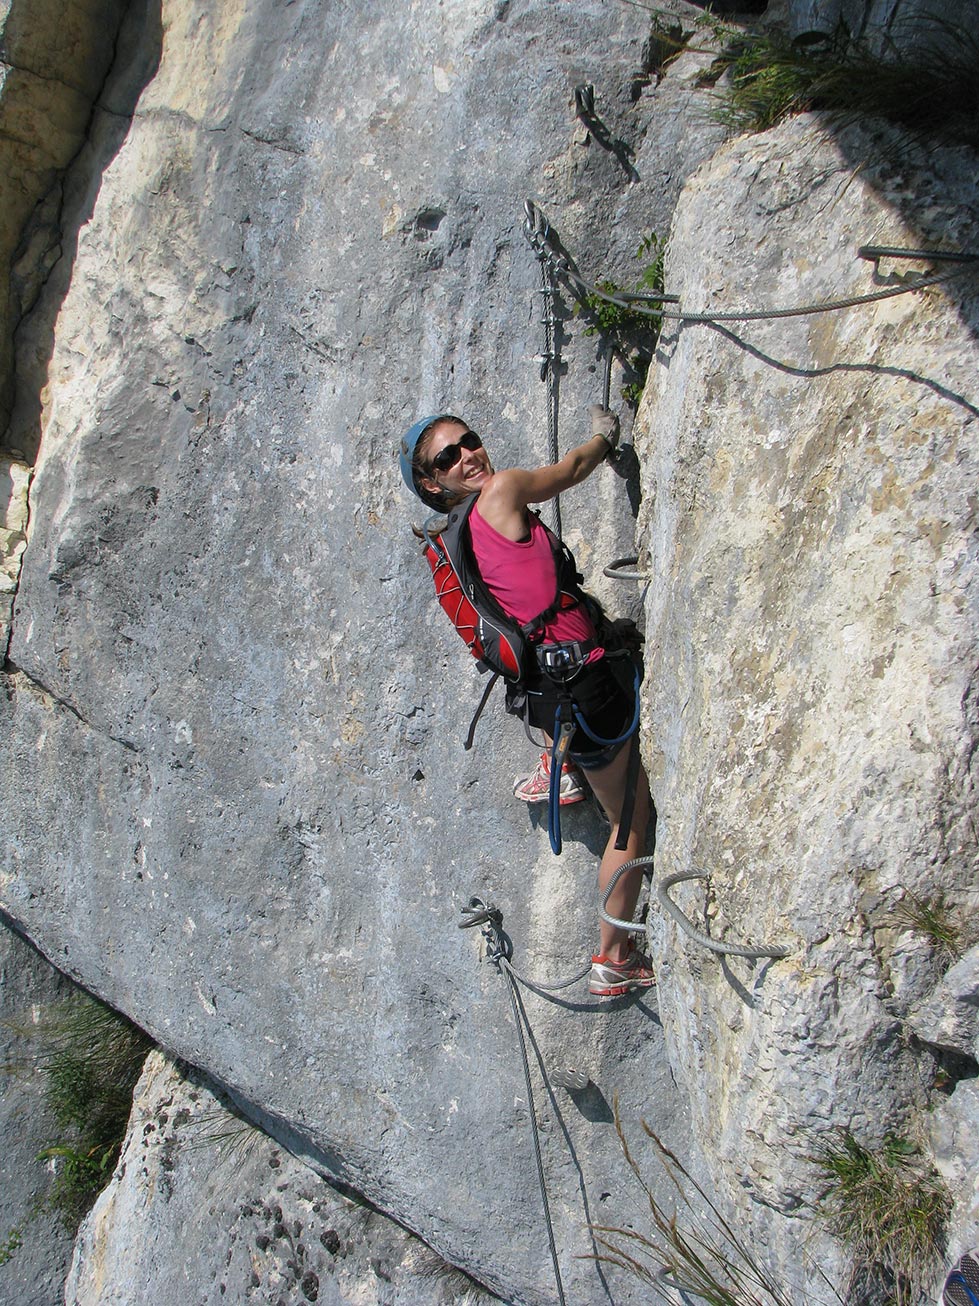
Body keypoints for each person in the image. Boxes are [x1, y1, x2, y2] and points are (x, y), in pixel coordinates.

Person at [400, 408, 656, 998]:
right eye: (448, 457)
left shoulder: (452, 537)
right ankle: (613, 956)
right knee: (630, 817)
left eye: (470, 441)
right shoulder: (506, 489)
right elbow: (573, 467)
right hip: (583, 686)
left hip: (543, 694)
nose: (469, 455)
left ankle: (559, 764)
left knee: (592, 758)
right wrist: (604, 435)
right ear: (434, 485)